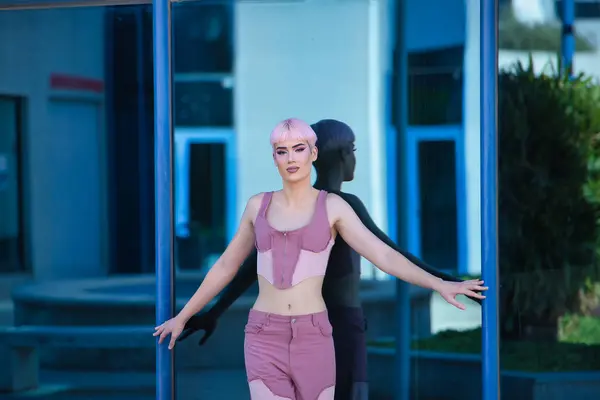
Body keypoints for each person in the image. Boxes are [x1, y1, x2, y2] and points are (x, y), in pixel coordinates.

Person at [154, 118, 487, 400]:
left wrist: (442, 283)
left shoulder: (336, 206)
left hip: (320, 329)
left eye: (298, 149)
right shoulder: (275, 206)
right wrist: (197, 313)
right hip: (297, 329)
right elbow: (239, 266)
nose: (290, 158)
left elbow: (384, 253)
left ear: (313, 154)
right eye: (282, 151)